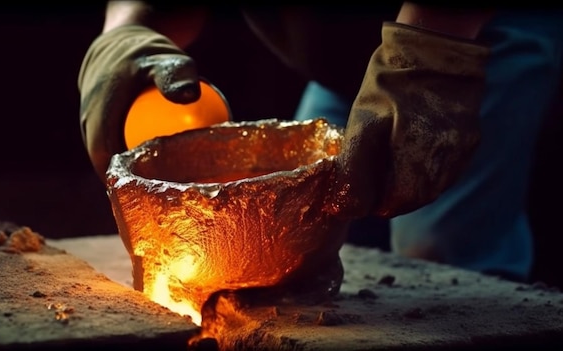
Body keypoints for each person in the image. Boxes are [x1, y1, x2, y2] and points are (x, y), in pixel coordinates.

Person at [78, 2, 563, 284]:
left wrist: (434, 47)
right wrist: (126, 31)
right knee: (303, 237)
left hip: (465, 31)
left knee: (441, 245)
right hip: (343, 61)